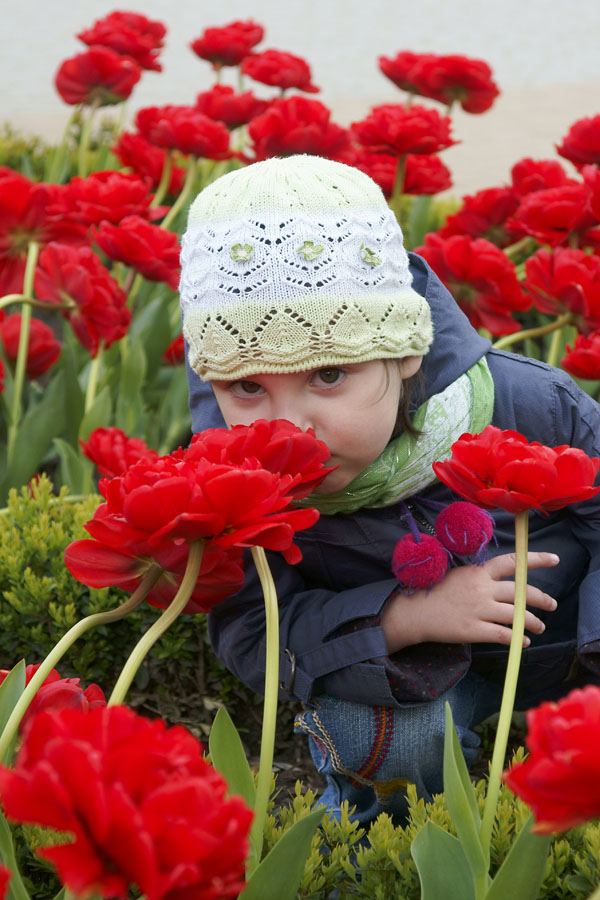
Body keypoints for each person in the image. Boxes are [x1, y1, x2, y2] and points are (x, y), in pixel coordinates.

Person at [179, 155, 600, 825]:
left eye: (329, 375)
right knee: (378, 739)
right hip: (404, 679)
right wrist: (400, 619)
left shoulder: (528, 403)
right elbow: (256, 637)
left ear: (406, 351)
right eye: (248, 387)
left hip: (565, 654)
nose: (291, 426)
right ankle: (409, 835)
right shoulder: (226, 483)